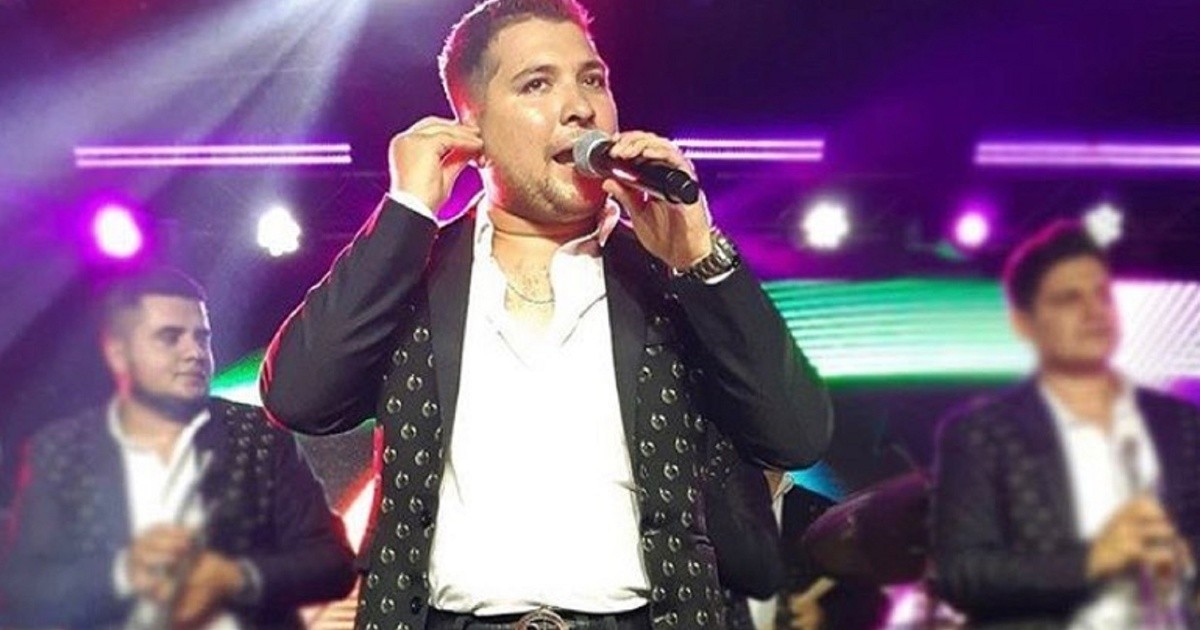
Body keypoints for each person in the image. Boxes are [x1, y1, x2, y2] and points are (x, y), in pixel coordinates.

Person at [258, 0, 833, 628]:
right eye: (537, 84)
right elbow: (299, 398)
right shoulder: (414, 271)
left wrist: (700, 259)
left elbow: (796, 435)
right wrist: (406, 210)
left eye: (593, 79)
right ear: (471, 128)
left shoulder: (670, 278)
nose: (580, 107)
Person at [0, 267, 356, 629]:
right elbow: (23, 587)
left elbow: (333, 564)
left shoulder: (258, 435)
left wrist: (236, 576)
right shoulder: (62, 451)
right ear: (119, 352)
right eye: (170, 338)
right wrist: (123, 572)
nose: (194, 353)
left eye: (202, 337)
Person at [932, 220, 1200, 628]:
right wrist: (1091, 561)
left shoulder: (1179, 421)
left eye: (1102, 294)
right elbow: (962, 573)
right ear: (1024, 322)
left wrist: (1185, 554)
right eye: (1069, 299)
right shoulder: (980, 434)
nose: (1094, 311)